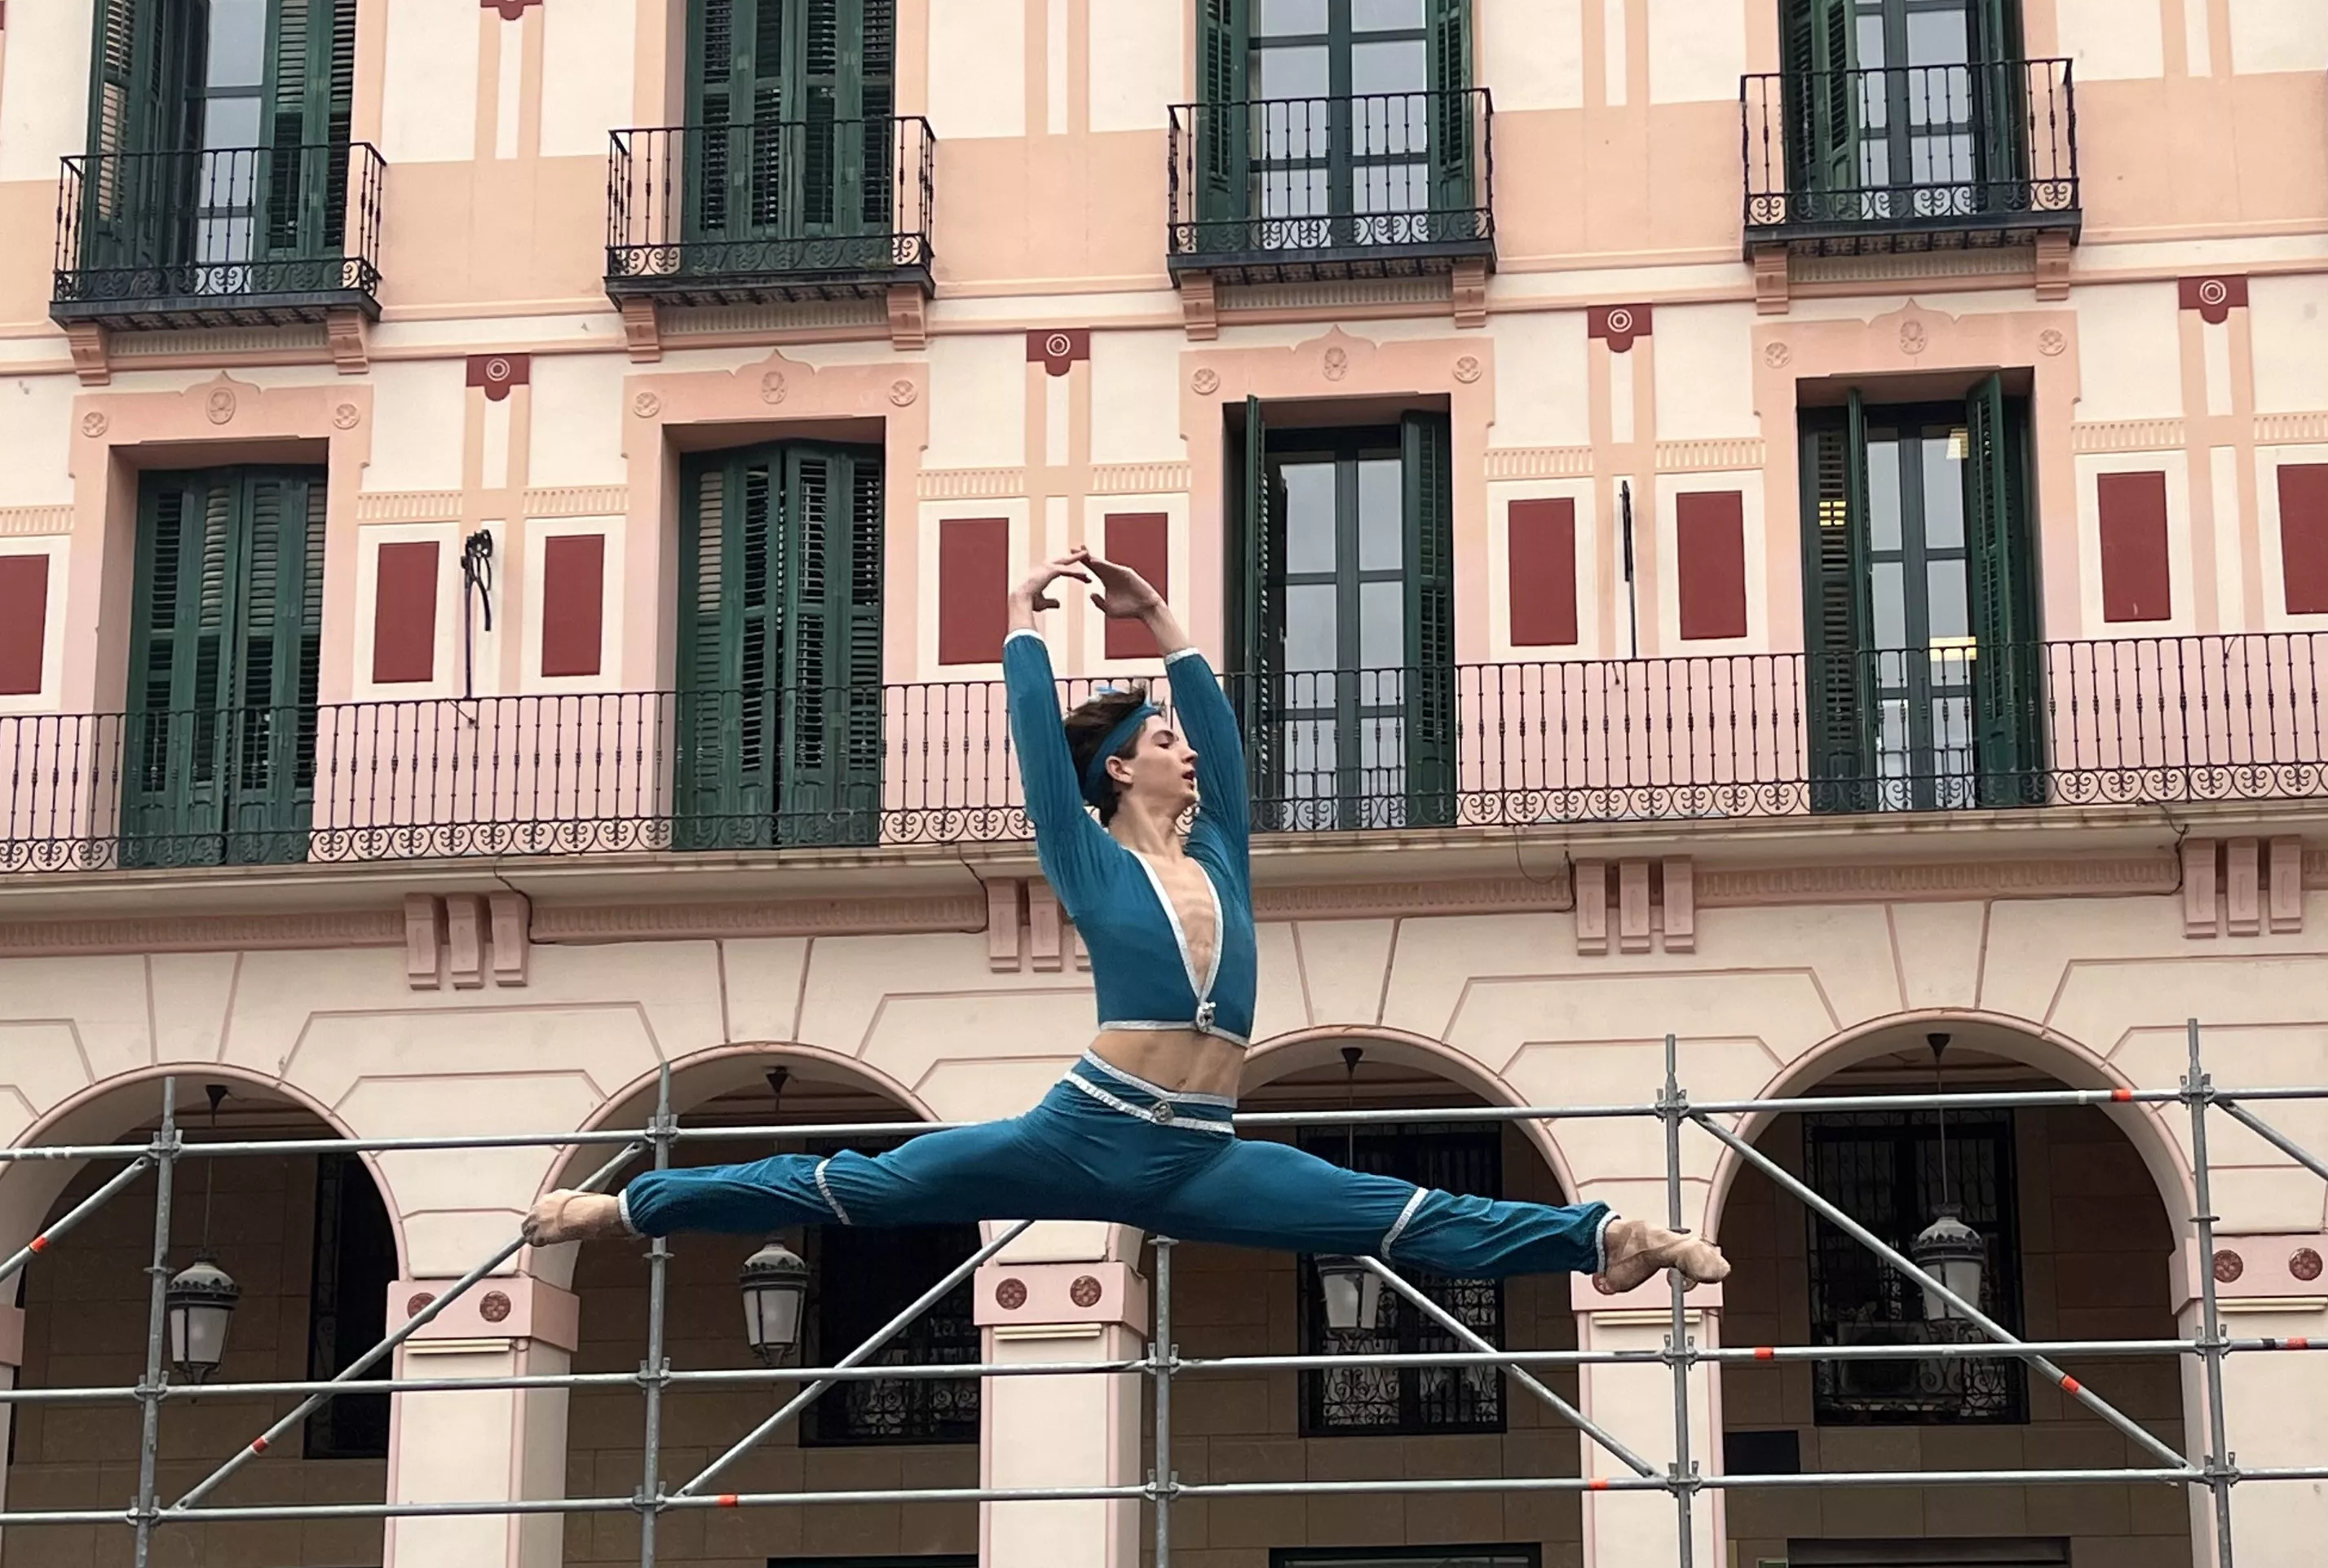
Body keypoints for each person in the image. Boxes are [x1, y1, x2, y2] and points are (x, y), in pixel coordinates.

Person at [524, 548, 1729, 1299]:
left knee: (1396, 1212)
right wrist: (1019, 623)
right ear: (1114, 769)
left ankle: (1609, 1238)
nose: (1188, 749)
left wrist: (1166, 625)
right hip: (1088, 1134)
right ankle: (618, 1207)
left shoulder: (1216, 853)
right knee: (855, 1184)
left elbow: (1231, 745)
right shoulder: (1090, 861)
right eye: (1163, 739)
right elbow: (1037, 752)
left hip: (1202, 1146)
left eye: (1183, 738)